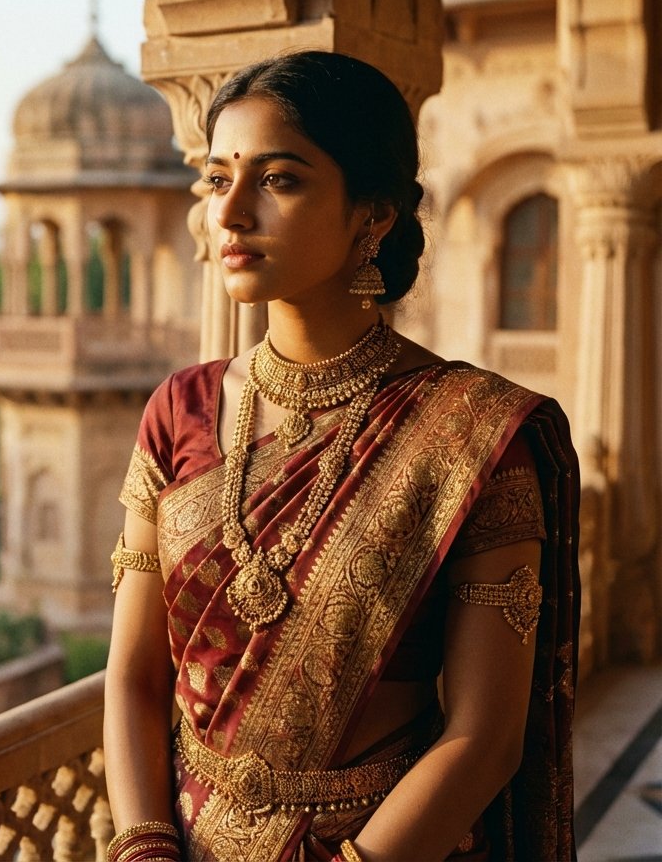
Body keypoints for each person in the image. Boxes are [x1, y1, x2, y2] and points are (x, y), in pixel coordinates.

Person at [103, 50, 579, 862]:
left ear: (374, 213)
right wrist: (146, 846)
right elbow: (133, 678)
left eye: (279, 180)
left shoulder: (474, 435)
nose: (231, 213)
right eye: (219, 179)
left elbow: (485, 738)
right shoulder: (178, 411)